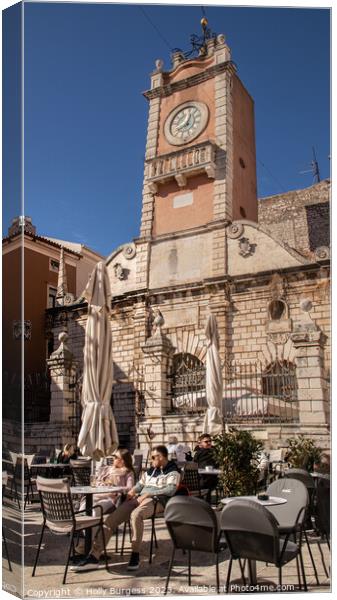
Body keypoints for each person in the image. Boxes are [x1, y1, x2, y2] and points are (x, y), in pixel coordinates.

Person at [71, 445, 180, 573]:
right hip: (138, 499)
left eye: (153, 457)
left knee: (136, 515)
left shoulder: (173, 471)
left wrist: (147, 494)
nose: (150, 460)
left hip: (156, 500)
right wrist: (131, 492)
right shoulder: (151, 471)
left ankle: (135, 554)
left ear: (161, 457)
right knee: (111, 521)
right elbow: (139, 486)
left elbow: (171, 489)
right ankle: (94, 557)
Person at [79, 447, 135, 517]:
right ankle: (86, 527)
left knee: (95, 511)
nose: (113, 458)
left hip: (112, 498)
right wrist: (104, 484)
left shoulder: (128, 472)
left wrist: (114, 488)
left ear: (122, 460)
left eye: (116, 457)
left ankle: (95, 527)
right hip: (99, 495)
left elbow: (130, 488)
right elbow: (97, 482)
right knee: (83, 508)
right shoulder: (107, 469)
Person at [193, 434, 218, 502]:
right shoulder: (198, 453)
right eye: (206, 441)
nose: (209, 443)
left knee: (209, 482)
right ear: (201, 443)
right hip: (200, 477)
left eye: (210, 441)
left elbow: (217, 464)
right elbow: (194, 464)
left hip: (212, 477)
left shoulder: (214, 451)